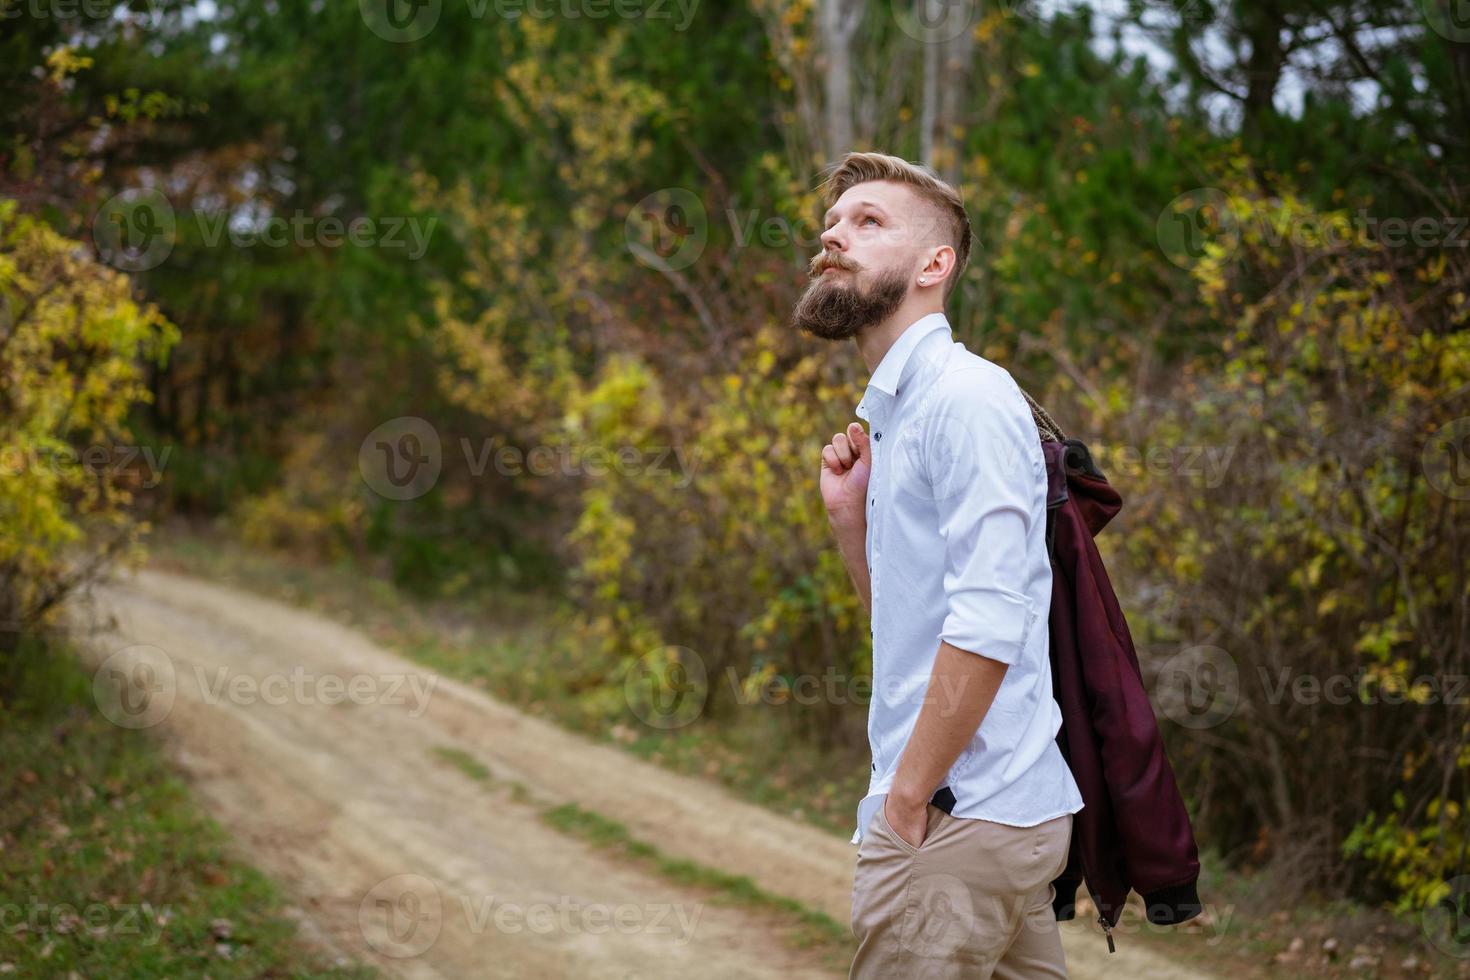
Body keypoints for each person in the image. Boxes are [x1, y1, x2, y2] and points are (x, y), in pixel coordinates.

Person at [799, 151, 1085, 979]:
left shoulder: (964, 400)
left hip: (961, 819)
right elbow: (912, 625)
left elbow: (991, 624)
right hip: (983, 817)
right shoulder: (902, 411)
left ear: (935, 265)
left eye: (868, 221)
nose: (833, 236)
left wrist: (909, 798)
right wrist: (852, 522)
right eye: (832, 223)